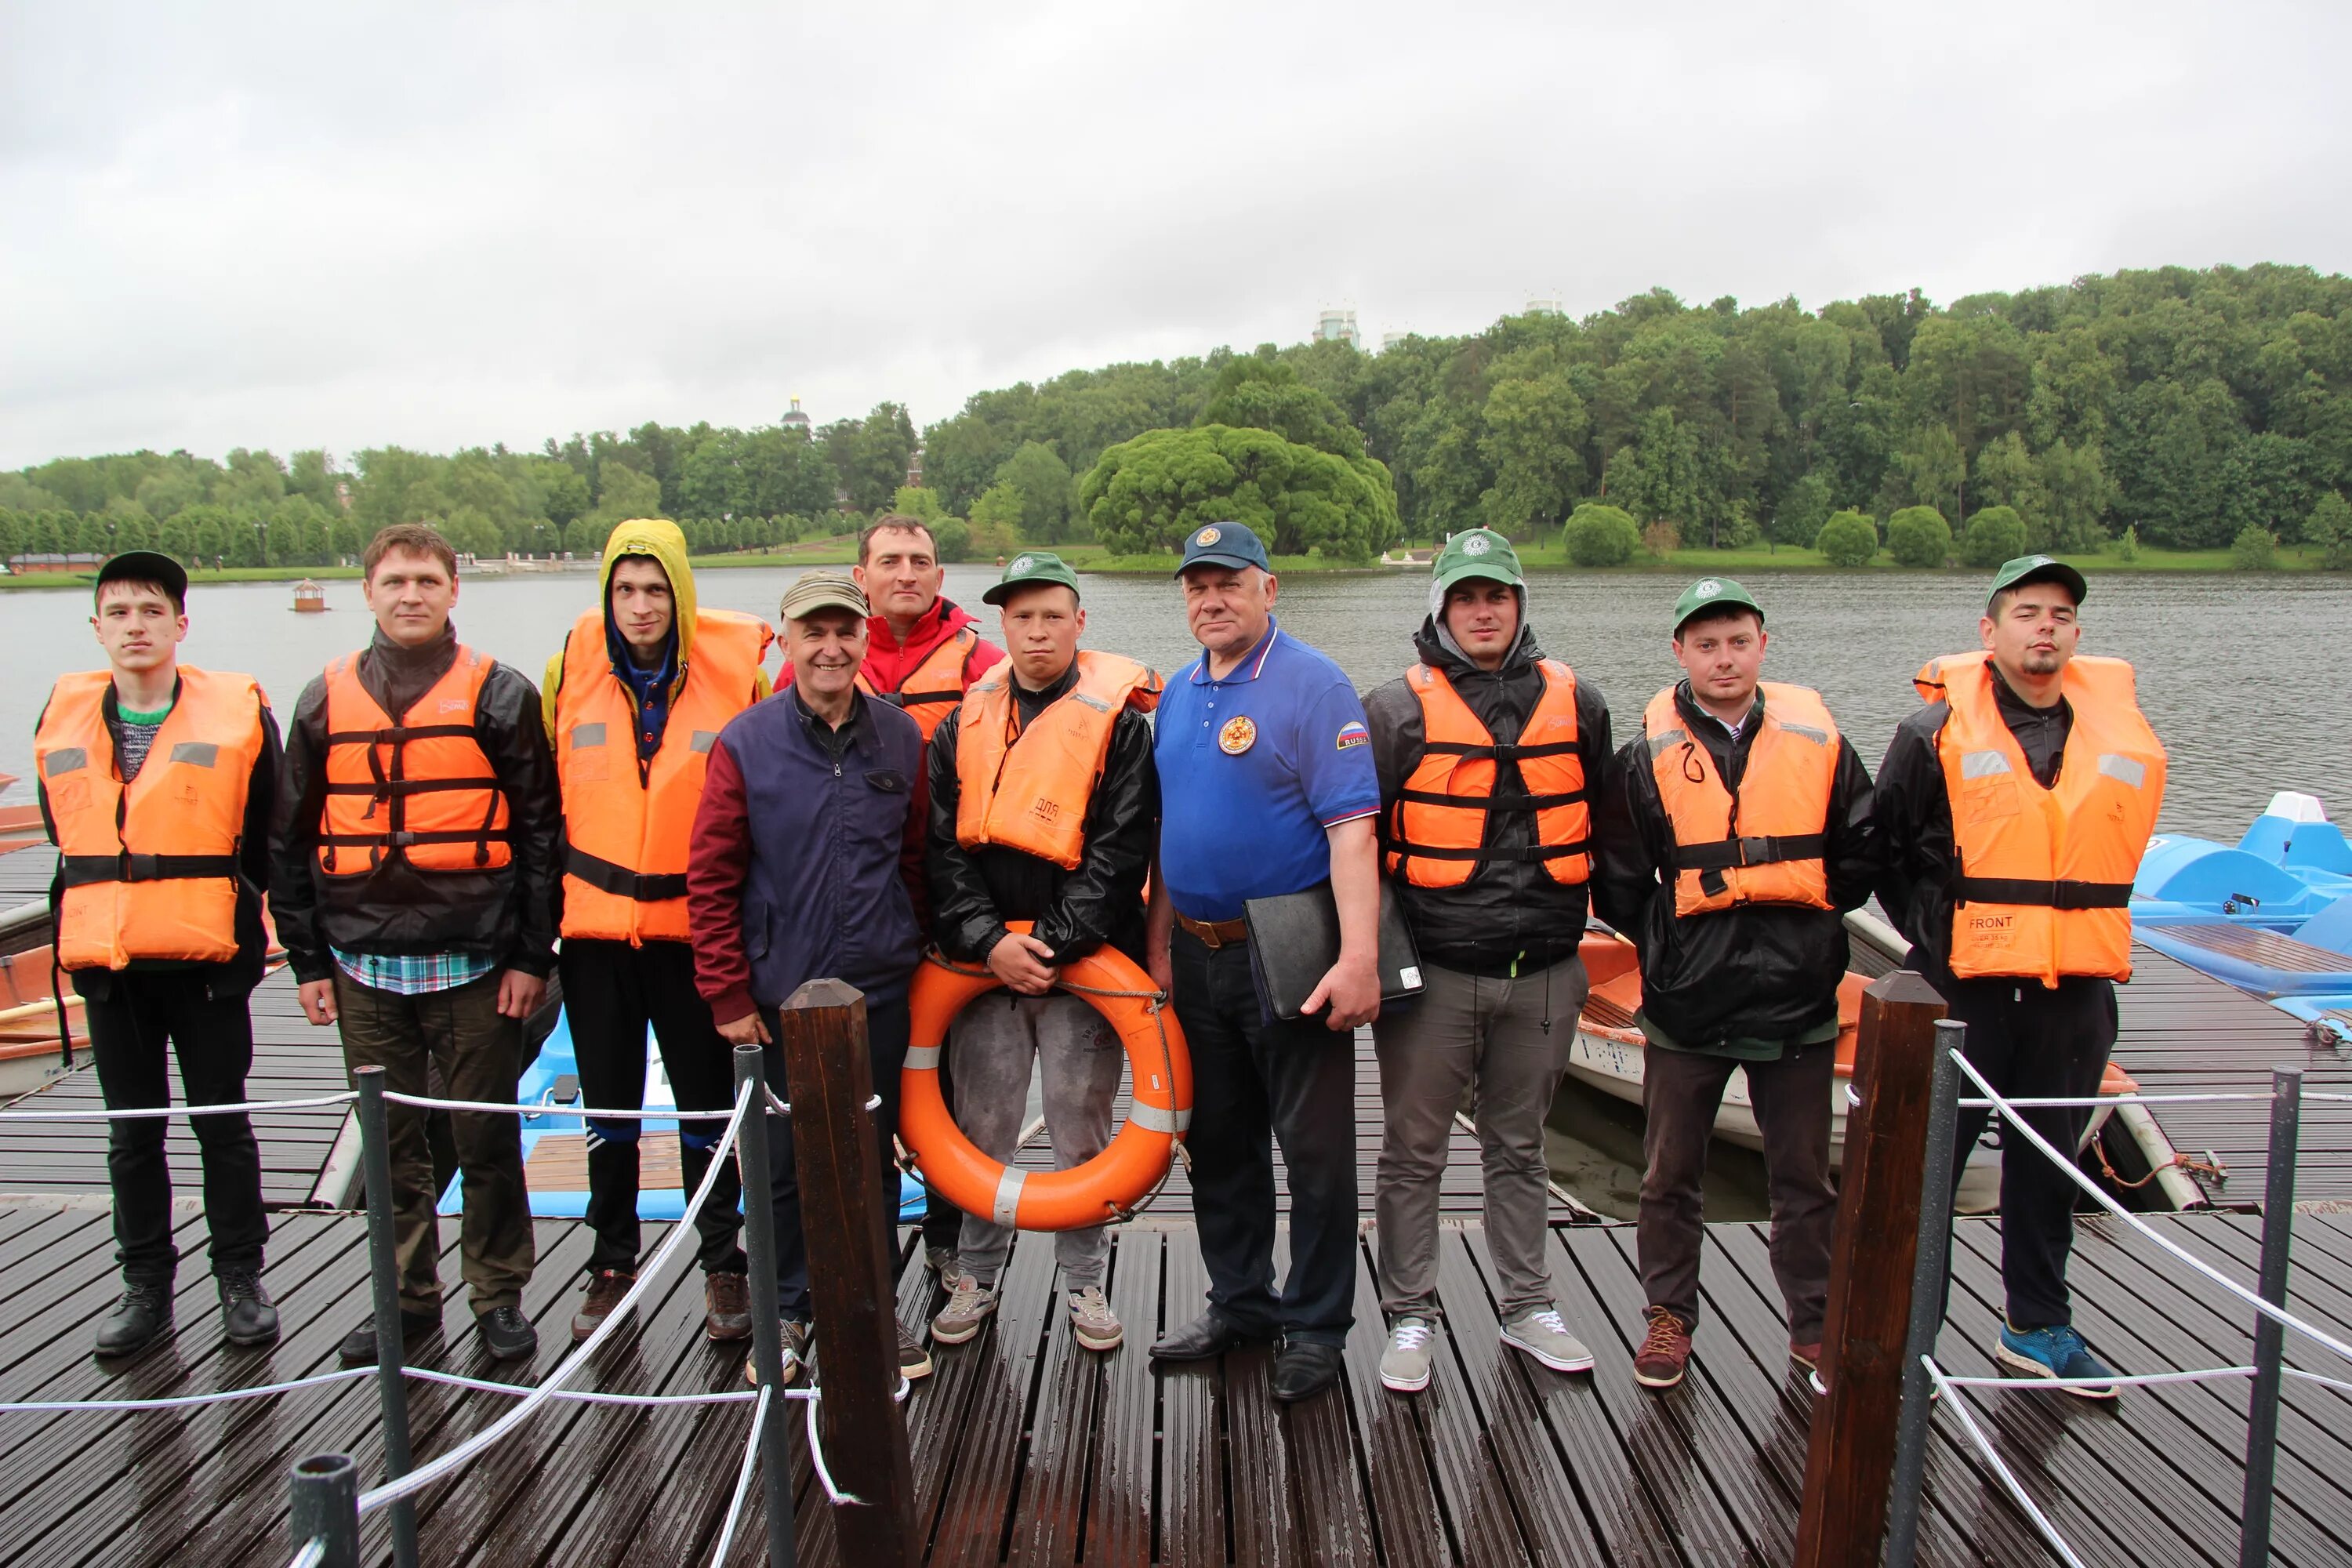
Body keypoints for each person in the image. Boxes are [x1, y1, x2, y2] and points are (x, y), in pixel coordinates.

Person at [272, 523, 562, 1367]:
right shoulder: (322, 700)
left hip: (477, 963)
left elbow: (542, 835)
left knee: (484, 1137)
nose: (410, 594)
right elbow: (288, 842)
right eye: (394, 580)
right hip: (361, 964)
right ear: (368, 591)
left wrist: (529, 958)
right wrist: (305, 959)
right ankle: (405, 1300)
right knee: (391, 1140)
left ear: (452, 590)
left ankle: (497, 1293)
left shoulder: (500, 695)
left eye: (426, 580)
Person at [1876, 555, 2166, 1399]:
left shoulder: (2111, 730)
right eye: (2027, 611)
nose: (2046, 626)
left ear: (2076, 635)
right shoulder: (1930, 730)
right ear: (1989, 631)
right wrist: (1936, 945)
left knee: (2046, 1170)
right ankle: (1907, 1342)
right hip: (1964, 989)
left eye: (2061, 615)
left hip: (2074, 992)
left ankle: (2037, 1328)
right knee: (1929, 1169)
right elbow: (1886, 849)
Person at [1592, 577, 1876, 1392]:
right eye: (1706, 644)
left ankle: (1814, 1322)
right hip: (1687, 1002)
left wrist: (1808, 927)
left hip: (1798, 1001)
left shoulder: (1821, 742)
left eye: (1738, 641)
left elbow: (1859, 851)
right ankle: (1668, 1316)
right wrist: (1669, 944)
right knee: (1668, 1173)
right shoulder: (1643, 755)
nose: (1724, 657)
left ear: (1762, 645)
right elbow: (1617, 877)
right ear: (1680, 652)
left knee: (1802, 1178)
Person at [1363, 529, 1613, 1393]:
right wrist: (1372, 958)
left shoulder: (1579, 703)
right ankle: (1409, 1312)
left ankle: (1527, 1303)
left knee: (1520, 1144)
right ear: (1441, 606)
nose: (1482, 610)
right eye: (1466, 596)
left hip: (1545, 967)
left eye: (1497, 595)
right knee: (1413, 1149)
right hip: (1435, 970)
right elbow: (1359, 844)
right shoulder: (1393, 708)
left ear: (1519, 603)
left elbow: (1606, 834)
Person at [1143, 522, 1381, 1404]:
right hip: (1199, 960)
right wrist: (1158, 944)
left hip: (1293, 952)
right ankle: (1240, 1301)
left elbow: (1352, 831)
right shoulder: (1176, 691)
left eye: (1229, 583)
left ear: (1269, 589)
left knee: (1315, 1153)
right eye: (1197, 586)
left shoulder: (1314, 686)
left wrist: (1359, 959)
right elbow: (1171, 830)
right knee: (1219, 1143)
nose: (1212, 599)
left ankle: (1317, 1325)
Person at [687, 570, 935, 1388]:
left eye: (846, 631)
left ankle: (866, 1305)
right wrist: (727, 994)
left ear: (866, 639)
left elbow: (916, 863)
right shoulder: (745, 742)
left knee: (869, 1157)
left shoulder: (900, 738)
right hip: (779, 996)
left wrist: (921, 950)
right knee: (785, 1161)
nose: (831, 647)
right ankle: (790, 1307)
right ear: (786, 643)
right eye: (813, 632)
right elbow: (712, 877)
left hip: (878, 993)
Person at [34, 551, 282, 1356]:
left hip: (207, 964)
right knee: (132, 1133)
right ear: (97, 628)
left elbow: (270, 827)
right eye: (119, 612)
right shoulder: (66, 713)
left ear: (181, 623)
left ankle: (240, 1276)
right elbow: (62, 826)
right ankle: (145, 1287)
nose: (135, 625)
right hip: (112, 969)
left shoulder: (237, 711)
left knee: (223, 1125)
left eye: (150, 610)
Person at [922, 552, 1161, 1356]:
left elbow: (1121, 852)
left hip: (1084, 967)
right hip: (981, 973)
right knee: (982, 1123)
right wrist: (991, 942)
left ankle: (1083, 1278)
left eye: (1051, 615)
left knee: (1078, 1123)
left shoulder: (1122, 729)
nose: (1036, 630)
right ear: (1002, 626)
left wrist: (1053, 944)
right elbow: (942, 853)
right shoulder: (962, 725)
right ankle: (978, 1274)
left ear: (1079, 623)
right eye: (1020, 616)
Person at [542, 520, 773, 1344]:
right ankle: (611, 1262)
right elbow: (544, 810)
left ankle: (723, 1260)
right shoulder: (566, 672)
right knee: (609, 1109)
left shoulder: (740, 678)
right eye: (624, 589)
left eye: (655, 589)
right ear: (606, 596)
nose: (640, 606)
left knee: (707, 1110)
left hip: (693, 935)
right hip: (597, 940)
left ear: (680, 594)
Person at [845, 513, 1006, 1280]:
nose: (905, 573)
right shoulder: (823, 653)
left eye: (921, 561)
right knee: (864, 1089)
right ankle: (862, 1249)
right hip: (855, 908)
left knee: (954, 1087)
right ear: (861, 576)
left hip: (951, 901)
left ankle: (948, 1245)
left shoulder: (985, 664)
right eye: (890, 561)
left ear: (941, 578)